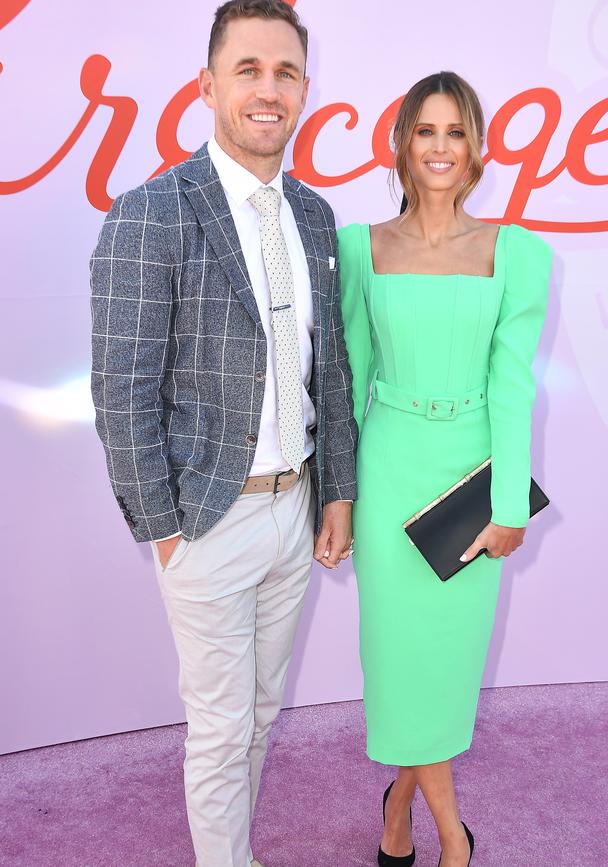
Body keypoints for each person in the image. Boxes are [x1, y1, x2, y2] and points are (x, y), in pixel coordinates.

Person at [89, 2, 356, 865]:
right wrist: (161, 526)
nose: (268, 90)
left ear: (305, 90)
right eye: (248, 70)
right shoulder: (151, 213)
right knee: (220, 727)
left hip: (294, 510)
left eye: (284, 72)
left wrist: (337, 491)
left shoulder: (315, 219)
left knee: (263, 712)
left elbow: (333, 373)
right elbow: (120, 388)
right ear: (208, 85)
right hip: (204, 519)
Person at [338, 71, 552, 867]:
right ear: (400, 146)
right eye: (424, 131)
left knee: (444, 670)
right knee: (397, 664)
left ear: (477, 150)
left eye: (454, 131)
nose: (438, 147)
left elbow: (513, 384)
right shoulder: (361, 248)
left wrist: (510, 504)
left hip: (470, 483)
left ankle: (399, 807)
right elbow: (350, 380)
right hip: (388, 471)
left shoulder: (515, 252)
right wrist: (339, 497)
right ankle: (454, 842)